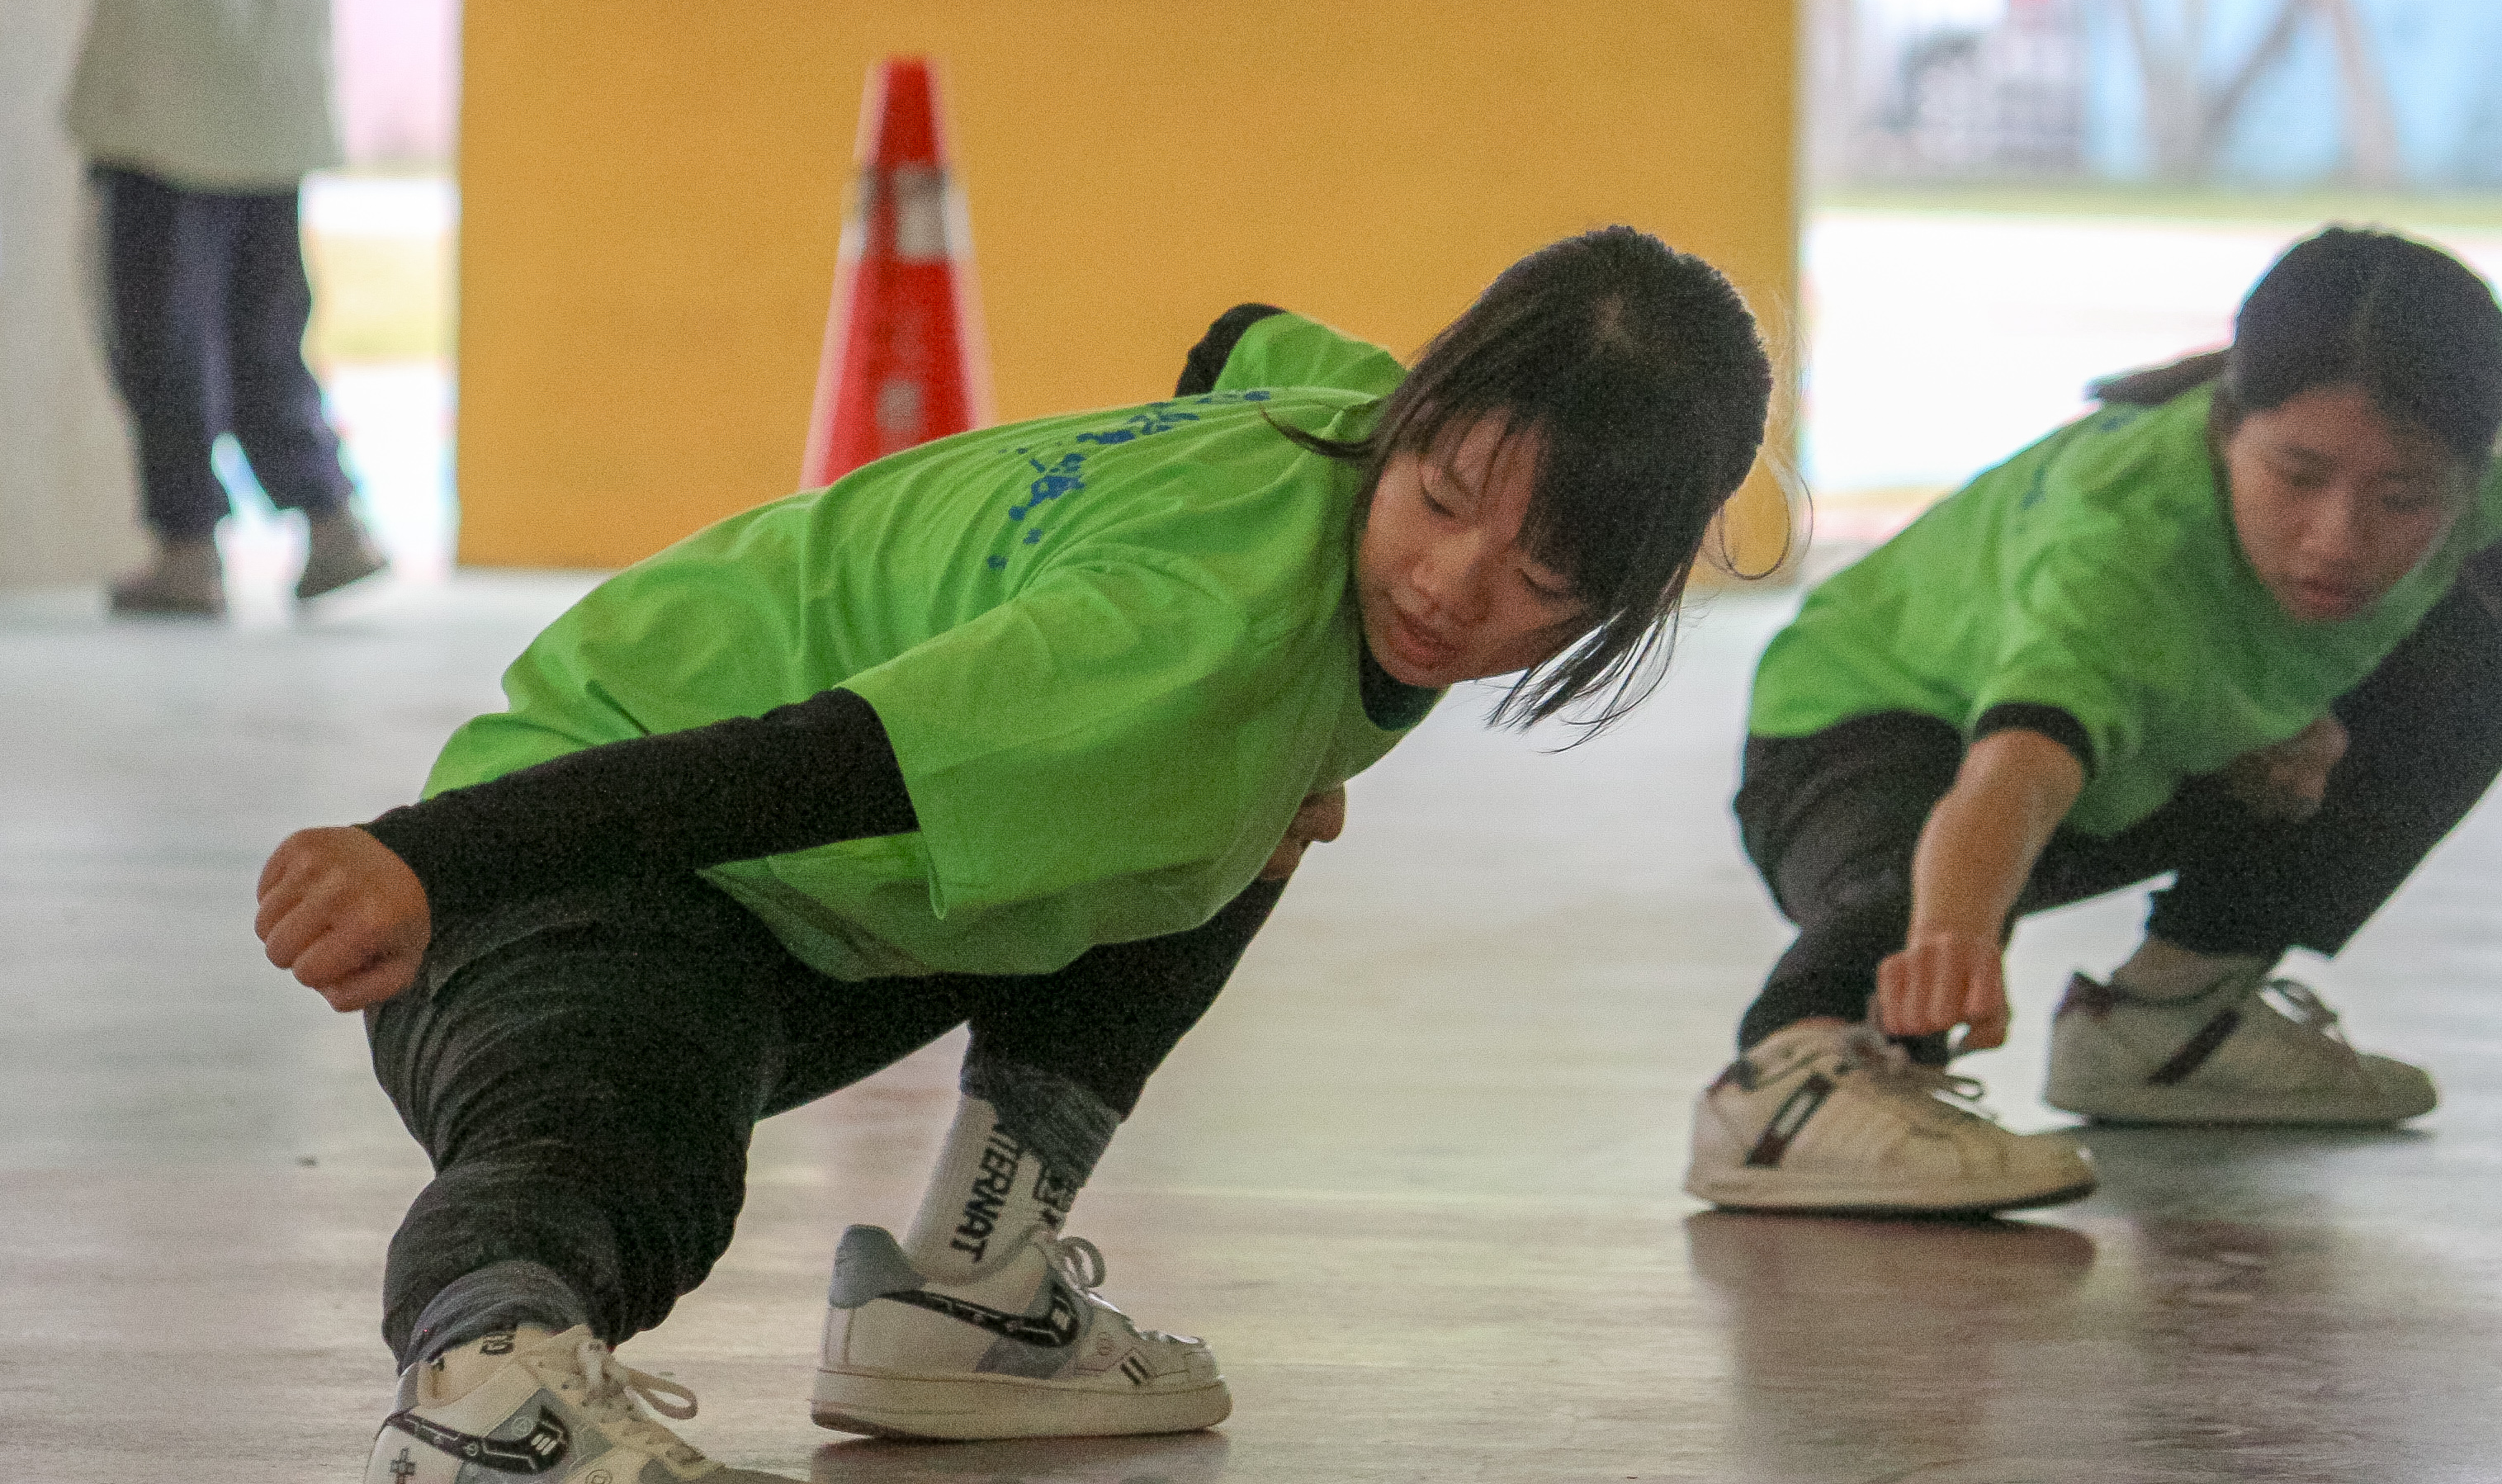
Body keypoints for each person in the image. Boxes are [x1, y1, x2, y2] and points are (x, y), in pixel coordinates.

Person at [254, 226, 1776, 1481]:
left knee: (1235, 823)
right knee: (626, 1154)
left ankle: (969, 1290)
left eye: (1543, 579)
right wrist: (426, 860)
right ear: (1420, 415)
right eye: (1439, 502)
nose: (1453, 587)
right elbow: (805, 768)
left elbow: (1245, 332)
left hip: (789, 902)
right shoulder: (1178, 646)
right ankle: (483, 1383)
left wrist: (1260, 727)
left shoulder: (1346, 411)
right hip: (577, 855)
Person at [1687, 225, 2502, 1217]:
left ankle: (2167, 1022)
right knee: (1926, 863)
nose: (2338, 538)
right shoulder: (2119, 546)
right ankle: (1786, 1079)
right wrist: (1951, 931)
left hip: (2133, 764)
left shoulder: (2475, 498)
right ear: (2224, 427)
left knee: (2480, 644)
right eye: (2295, 475)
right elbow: (2013, 779)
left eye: (2402, 496)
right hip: (1870, 730)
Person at [45, 0, 387, 617]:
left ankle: (187, 544)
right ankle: (330, 516)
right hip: (279, 106)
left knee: (160, 334)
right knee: (267, 328)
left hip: (162, 110)